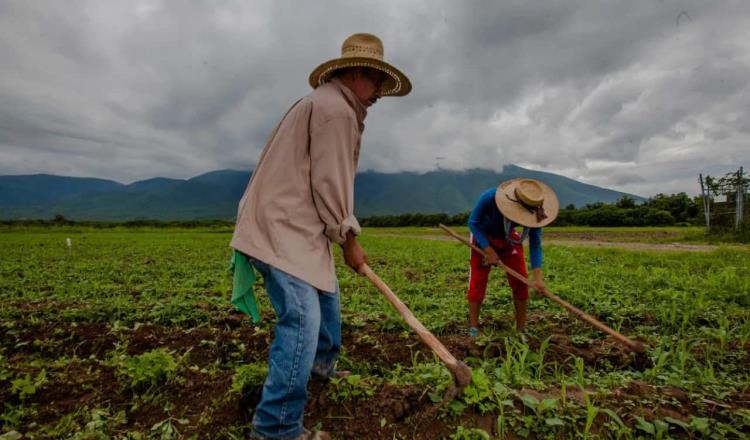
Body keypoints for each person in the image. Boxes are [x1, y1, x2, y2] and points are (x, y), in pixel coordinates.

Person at [230, 33, 411, 440]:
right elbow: (332, 183)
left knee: (326, 301)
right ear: (355, 73)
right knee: (302, 321)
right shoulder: (336, 112)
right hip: (282, 228)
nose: (380, 93)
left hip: (297, 226)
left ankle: (318, 370)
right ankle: (275, 427)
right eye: (377, 81)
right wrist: (348, 237)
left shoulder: (327, 104)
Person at [466, 178, 559, 339]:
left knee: (521, 281)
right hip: (483, 237)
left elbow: (535, 245)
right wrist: (488, 249)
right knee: (477, 281)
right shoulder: (489, 197)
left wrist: (538, 278)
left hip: (509, 238)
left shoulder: (536, 212)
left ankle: (520, 329)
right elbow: (473, 223)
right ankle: (473, 328)